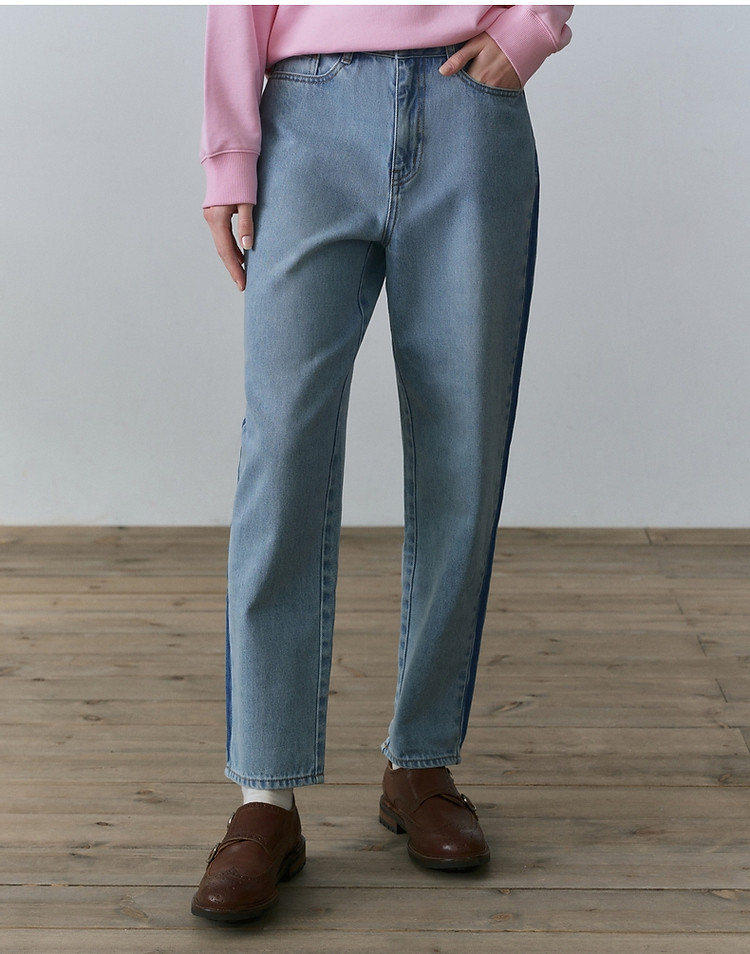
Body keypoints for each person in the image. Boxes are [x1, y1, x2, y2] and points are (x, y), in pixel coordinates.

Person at [192, 4, 573, 923]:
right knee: (281, 452)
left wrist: (533, 24)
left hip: (468, 107)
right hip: (307, 114)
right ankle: (265, 795)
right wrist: (229, 151)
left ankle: (421, 761)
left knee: (463, 447)